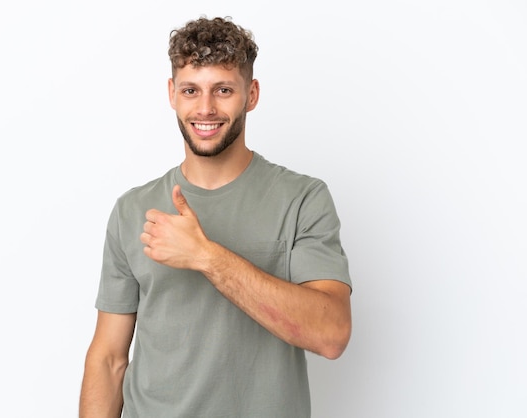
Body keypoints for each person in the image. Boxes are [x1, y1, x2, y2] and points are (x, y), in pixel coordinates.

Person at [79, 16, 352, 418]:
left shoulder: (303, 199)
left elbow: (331, 335)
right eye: (191, 90)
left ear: (251, 94)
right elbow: (109, 359)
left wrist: (205, 256)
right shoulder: (133, 209)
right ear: (172, 93)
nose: (205, 108)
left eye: (223, 90)